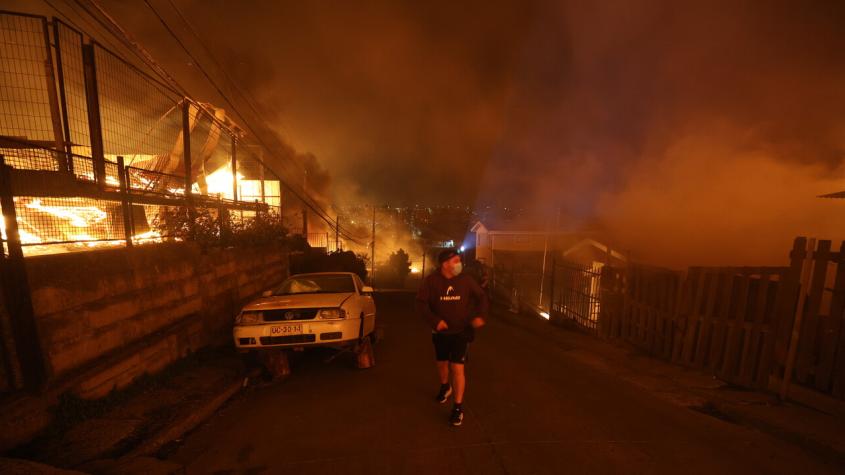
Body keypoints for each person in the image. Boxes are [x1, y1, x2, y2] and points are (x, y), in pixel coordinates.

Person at [416, 248, 489, 426]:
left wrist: (481, 316)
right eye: (456, 261)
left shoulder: (466, 280)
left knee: (457, 368)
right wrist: (435, 321)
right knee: (442, 364)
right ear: (445, 264)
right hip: (441, 332)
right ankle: (444, 386)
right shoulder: (431, 281)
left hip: (461, 331)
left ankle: (457, 408)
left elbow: (482, 297)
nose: (459, 264)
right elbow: (421, 304)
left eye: (459, 260)